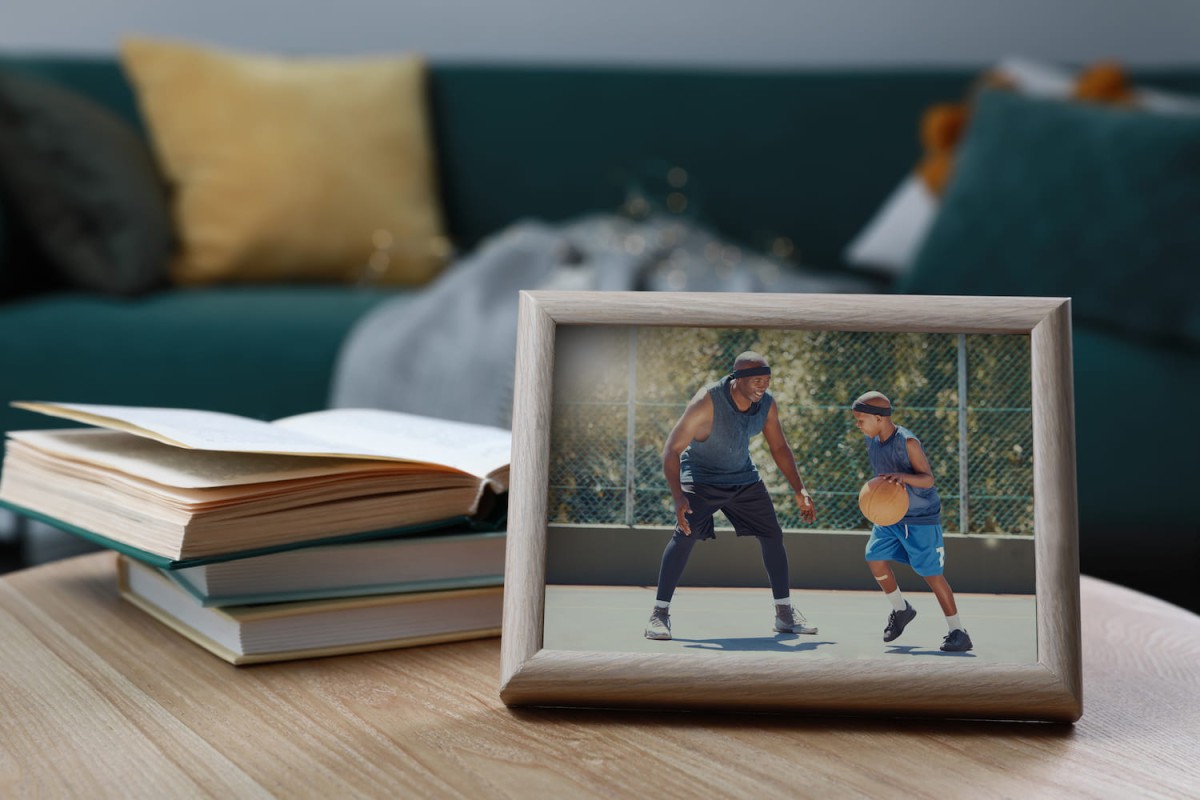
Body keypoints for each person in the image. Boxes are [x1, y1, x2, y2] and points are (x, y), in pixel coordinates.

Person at [645, 351, 818, 641]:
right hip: (702, 476)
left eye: (766, 380)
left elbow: (779, 447)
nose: (762, 386)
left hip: (743, 477)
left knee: (772, 535)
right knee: (685, 533)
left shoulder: (766, 404)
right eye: (756, 381)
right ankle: (659, 615)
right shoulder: (706, 401)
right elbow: (671, 449)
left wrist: (799, 489)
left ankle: (784, 615)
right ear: (737, 380)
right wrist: (678, 497)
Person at [850, 391, 973, 652]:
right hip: (890, 517)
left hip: (920, 519)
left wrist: (902, 477)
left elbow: (928, 479)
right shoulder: (871, 440)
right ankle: (901, 609)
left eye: (861, 420)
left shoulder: (907, 442)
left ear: (879, 418)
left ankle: (958, 632)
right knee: (874, 558)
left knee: (932, 575)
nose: (857, 425)